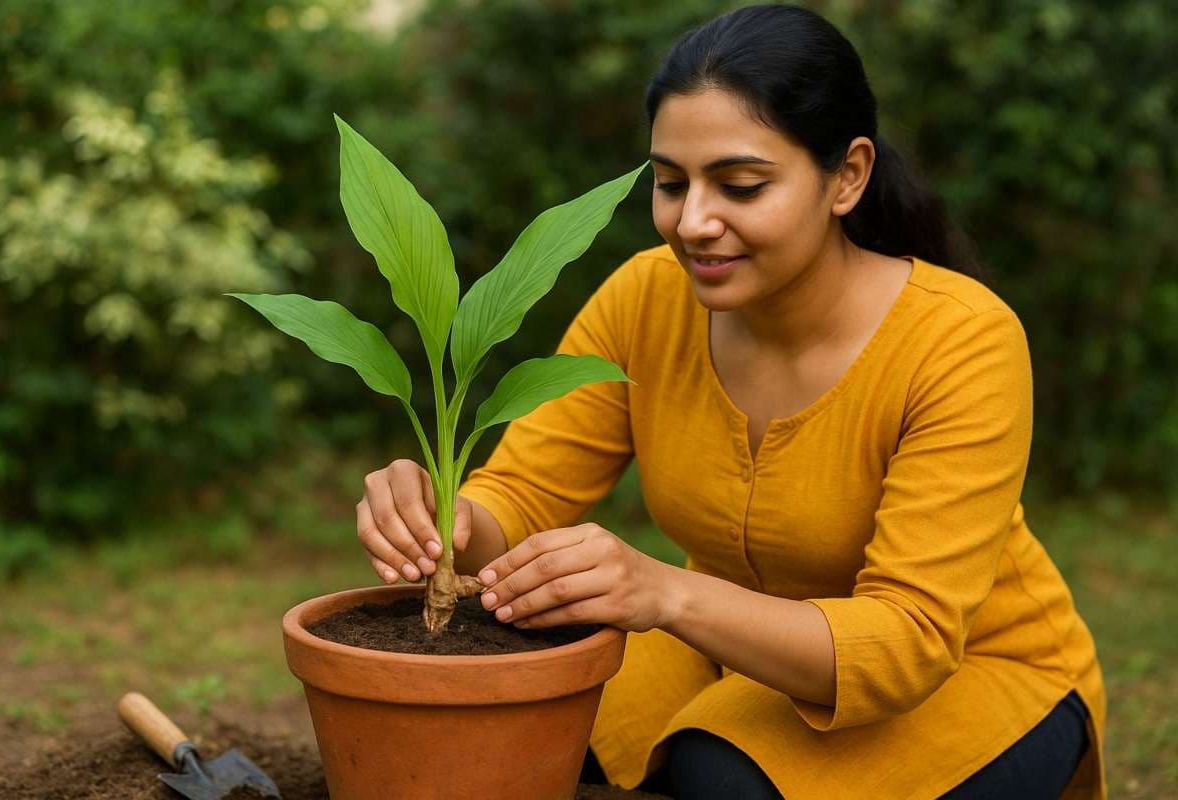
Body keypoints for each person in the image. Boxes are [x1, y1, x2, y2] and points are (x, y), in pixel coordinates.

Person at [355, 4, 1106, 798]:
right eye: (672, 184)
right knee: (512, 708)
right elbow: (524, 490)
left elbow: (908, 640)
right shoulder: (647, 297)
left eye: (741, 185)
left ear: (847, 175)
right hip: (720, 644)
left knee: (723, 773)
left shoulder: (960, 340)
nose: (695, 223)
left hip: (968, 670)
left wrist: (664, 590)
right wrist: (449, 518)